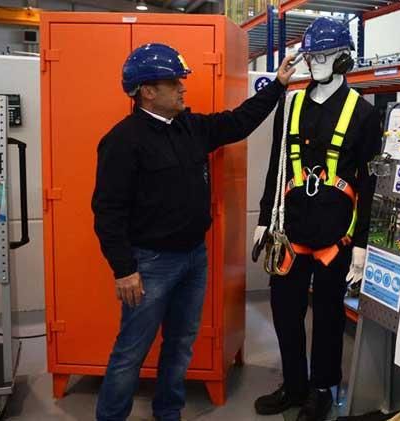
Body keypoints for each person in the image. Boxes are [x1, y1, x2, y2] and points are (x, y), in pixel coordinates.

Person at [91, 43, 296, 421]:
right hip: (149, 265)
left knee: (181, 343)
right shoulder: (123, 141)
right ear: (147, 91)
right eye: (174, 82)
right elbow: (107, 211)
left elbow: (239, 121)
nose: (183, 88)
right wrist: (123, 269)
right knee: (130, 351)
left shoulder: (191, 127)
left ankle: (168, 411)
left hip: (193, 258)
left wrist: (279, 84)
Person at [252, 17, 381, 421]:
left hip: (335, 237)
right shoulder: (290, 104)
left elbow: (368, 182)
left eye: (323, 55)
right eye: (311, 55)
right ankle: (294, 385)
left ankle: (321, 389)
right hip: (291, 232)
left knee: (327, 317)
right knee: (284, 311)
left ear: (343, 58)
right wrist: (262, 220)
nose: (316, 62)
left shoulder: (363, 113)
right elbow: (276, 166)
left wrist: (361, 244)